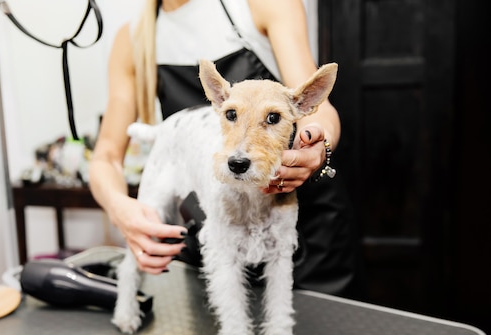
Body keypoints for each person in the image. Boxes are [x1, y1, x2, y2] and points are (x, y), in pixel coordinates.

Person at [89, 0, 360, 296]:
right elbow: (106, 157)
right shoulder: (133, 40)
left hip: (304, 232)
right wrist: (118, 208)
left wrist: (317, 147)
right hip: (218, 231)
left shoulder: (262, 5)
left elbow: (319, 111)